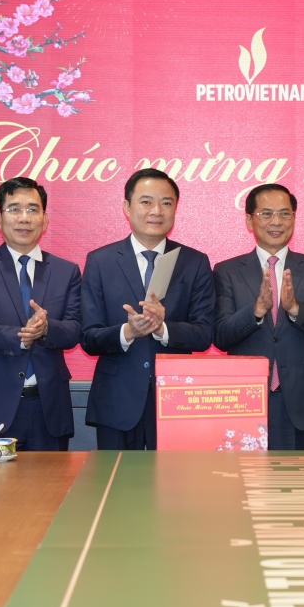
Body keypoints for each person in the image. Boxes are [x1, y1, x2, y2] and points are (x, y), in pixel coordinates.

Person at [81, 168, 214, 449]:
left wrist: (163, 328)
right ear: (127, 207)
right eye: (146, 202)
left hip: (176, 402)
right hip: (116, 401)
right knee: (116, 477)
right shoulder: (100, 261)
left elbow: (204, 334)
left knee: (173, 478)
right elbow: (89, 337)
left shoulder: (195, 262)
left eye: (166, 203)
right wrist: (127, 332)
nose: (156, 211)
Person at [213, 183, 304, 450]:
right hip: (244, 399)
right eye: (266, 213)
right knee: (245, 476)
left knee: (300, 476)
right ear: (249, 220)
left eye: (285, 214)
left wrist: (295, 309)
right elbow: (221, 336)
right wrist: (256, 311)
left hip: (302, 401)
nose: (276, 222)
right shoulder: (227, 271)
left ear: (294, 218)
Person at [0, 177, 82, 451]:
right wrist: (21, 337)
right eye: (14, 209)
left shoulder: (67, 271)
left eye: (32, 209)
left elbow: (75, 328)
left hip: (48, 408)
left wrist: (47, 329)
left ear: (45, 220)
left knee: (52, 481)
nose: (24, 217)